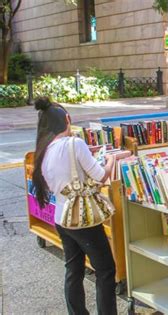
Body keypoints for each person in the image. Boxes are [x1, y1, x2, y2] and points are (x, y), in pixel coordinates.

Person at [32, 97, 117, 315]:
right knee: (106, 270)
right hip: (82, 219)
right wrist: (110, 160)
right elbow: (99, 176)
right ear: (68, 120)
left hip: (62, 218)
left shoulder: (43, 151)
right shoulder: (75, 144)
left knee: (74, 269)